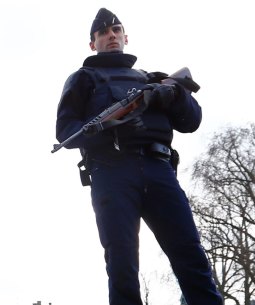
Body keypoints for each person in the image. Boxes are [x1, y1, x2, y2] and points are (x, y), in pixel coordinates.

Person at [55, 8, 223, 305]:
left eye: (116, 30)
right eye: (103, 33)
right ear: (92, 43)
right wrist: (110, 127)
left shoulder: (153, 79)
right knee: (122, 263)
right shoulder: (83, 79)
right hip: (112, 171)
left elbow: (192, 121)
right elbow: (66, 133)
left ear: (126, 37)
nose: (111, 36)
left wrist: (174, 95)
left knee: (191, 255)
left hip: (159, 170)